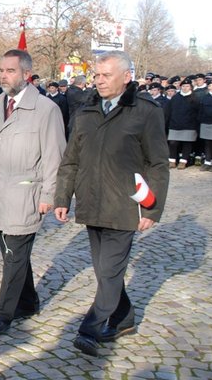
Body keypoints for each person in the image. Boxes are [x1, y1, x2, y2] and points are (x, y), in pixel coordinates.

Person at [54, 51, 169, 357]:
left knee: (109, 269)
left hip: (126, 204)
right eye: (96, 75)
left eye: (106, 75)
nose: (99, 80)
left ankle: (89, 328)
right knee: (105, 271)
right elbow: (71, 160)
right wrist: (62, 197)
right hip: (91, 202)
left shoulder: (146, 111)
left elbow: (158, 164)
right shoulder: (86, 110)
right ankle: (125, 317)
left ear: (127, 77)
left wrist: (152, 208)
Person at [0, 49, 66, 334]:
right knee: (10, 251)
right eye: (1, 70)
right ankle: (27, 301)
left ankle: (2, 312)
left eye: (10, 70)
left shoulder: (46, 109)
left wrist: (49, 196)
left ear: (26, 74)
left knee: (14, 253)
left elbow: (55, 156)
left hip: (27, 193)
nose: (3, 75)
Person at [164, 78, 199, 169]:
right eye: (183, 86)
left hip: (189, 125)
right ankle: (172, 160)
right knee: (173, 143)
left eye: (187, 86)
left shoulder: (195, 98)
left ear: (190, 87)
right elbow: (169, 111)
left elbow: (198, 112)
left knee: (187, 143)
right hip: (175, 124)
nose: (185, 88)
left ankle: (183, 161)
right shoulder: (175, 97)